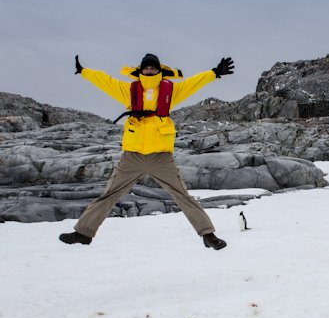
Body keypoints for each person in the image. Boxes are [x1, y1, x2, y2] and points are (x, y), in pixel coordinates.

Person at [59, 53, 234, 250]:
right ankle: (83, 233)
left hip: (161, 157)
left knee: (183, 196)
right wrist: (84, 71)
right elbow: (104, 81)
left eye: (153, 68)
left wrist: (215, 73)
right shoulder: (128, 90)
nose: (149, 70)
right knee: (109, 195)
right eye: (146, 68)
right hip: (132, 156)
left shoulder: (171, 90)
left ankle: (208, 234)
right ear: (141, 70)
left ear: (159, 70)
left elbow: (193, 83)